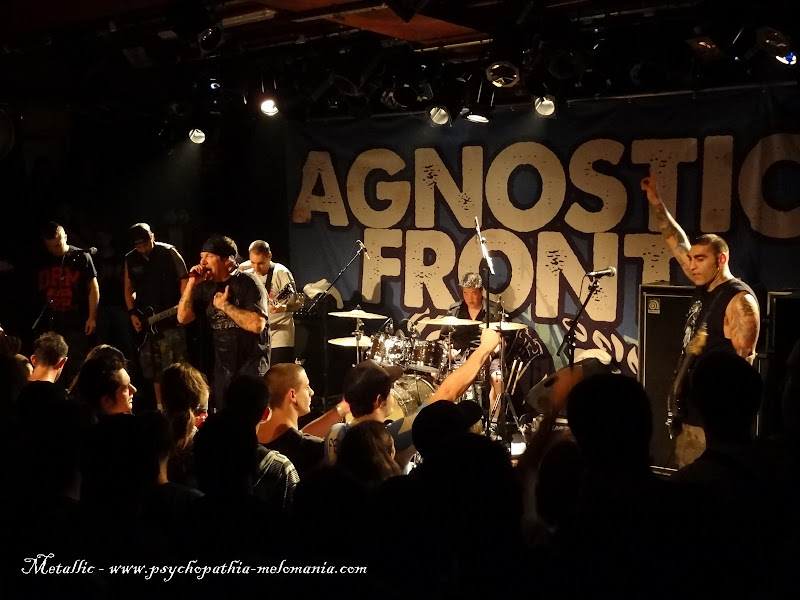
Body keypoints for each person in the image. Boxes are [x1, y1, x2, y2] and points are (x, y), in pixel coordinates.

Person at [642, 172, 760, 466]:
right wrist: (656, 201)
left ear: (721, 260)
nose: (691, 265)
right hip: (691, 413)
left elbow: (745, 364)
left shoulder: (739, 300)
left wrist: (725, 423)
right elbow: (675, 240)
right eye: (691, 259)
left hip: (713, 423)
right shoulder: (704, 284)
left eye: (700, 259)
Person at [325, 327, 501, 465]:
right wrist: (485, 348)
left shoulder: (334, 434)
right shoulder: (391, 436)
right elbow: (447, 393)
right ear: (379, 401)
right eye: (390, 389)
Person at [176, 234, 269, 411]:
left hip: (250, 367)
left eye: (209, 256)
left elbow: (257, 324)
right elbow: (183, 317)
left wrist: (225, 306)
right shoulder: (205, 286)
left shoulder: (249, 283)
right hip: (223, 370)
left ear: (227, 261)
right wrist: (191, 284)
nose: (203, 262)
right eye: (202, 256)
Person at [124, 222, 189, 409]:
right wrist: (132, 313)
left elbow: (184, 280)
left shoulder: (169, 252)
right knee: (154, 368)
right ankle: (161, 407)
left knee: (176, 365)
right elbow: (128, 288)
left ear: (152, 237)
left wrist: (183, 306)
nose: (142, 249)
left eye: (145, 243)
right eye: (138, 246)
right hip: (146, 320)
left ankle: (181, 405)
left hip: (169, 317)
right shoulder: (131, 258)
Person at [35, 222, 99, 386]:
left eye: (58, 245)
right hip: (52, 321)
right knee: (52, 361)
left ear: (65, 237)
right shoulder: (43, 260)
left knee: (75, 362)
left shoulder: (81, 256)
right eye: (51, 246)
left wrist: (92, 317)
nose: (56, 250)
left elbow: (93, 288)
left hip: (76, 321)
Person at [259, 363, 349, 478]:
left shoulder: (252, 441)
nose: (312, 392)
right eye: (307, 387)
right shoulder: (314, 450)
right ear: (293, 395)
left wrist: (342, 408)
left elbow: (300, 434)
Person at [240, 240, 302, 365]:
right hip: (256, 336)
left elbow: (297, 304)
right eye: (253, 262)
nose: (256, 268)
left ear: (269, 256)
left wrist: (282, 308)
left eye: (261, 263)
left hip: (279, 335)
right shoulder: (246, 272)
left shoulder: (281, 272)